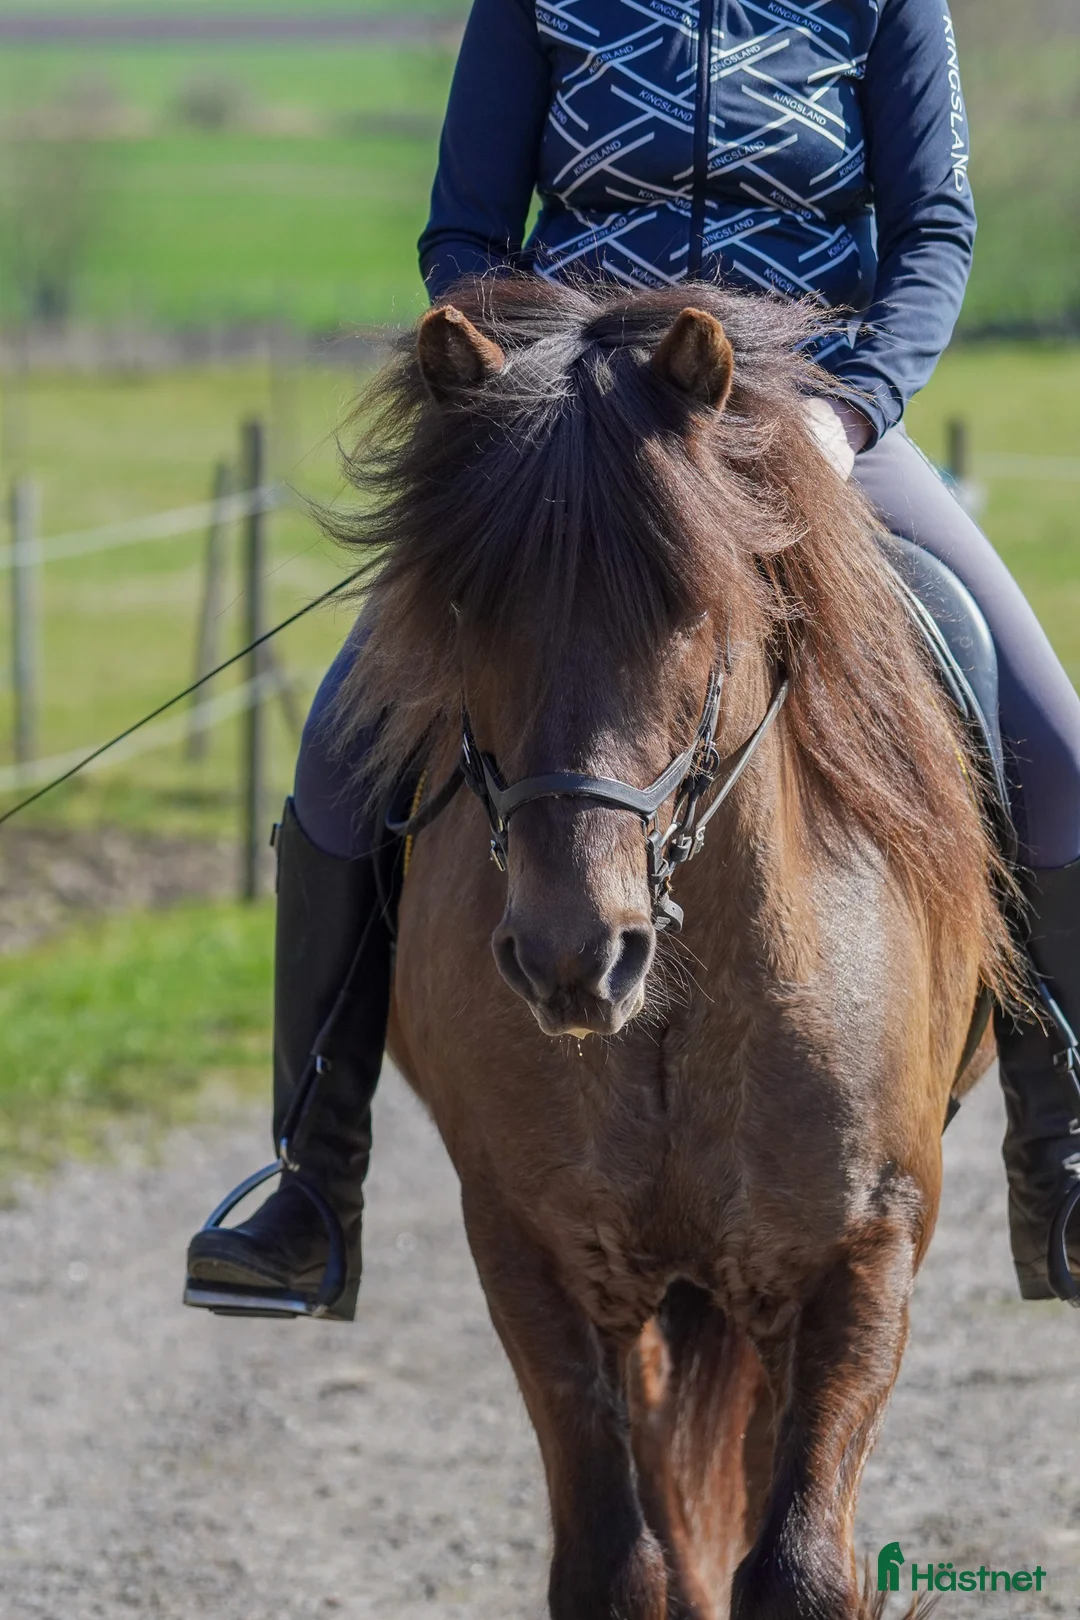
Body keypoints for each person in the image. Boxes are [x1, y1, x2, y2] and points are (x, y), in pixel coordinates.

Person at [185, 0, 1080, 1315]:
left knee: (1054, 747)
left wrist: (848, 410)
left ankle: (1061, 1159)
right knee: (340, 749)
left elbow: (933, 228)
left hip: (806, 416)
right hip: (580, 428)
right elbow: (464, 231)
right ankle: (314, 1187)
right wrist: (523, 388)